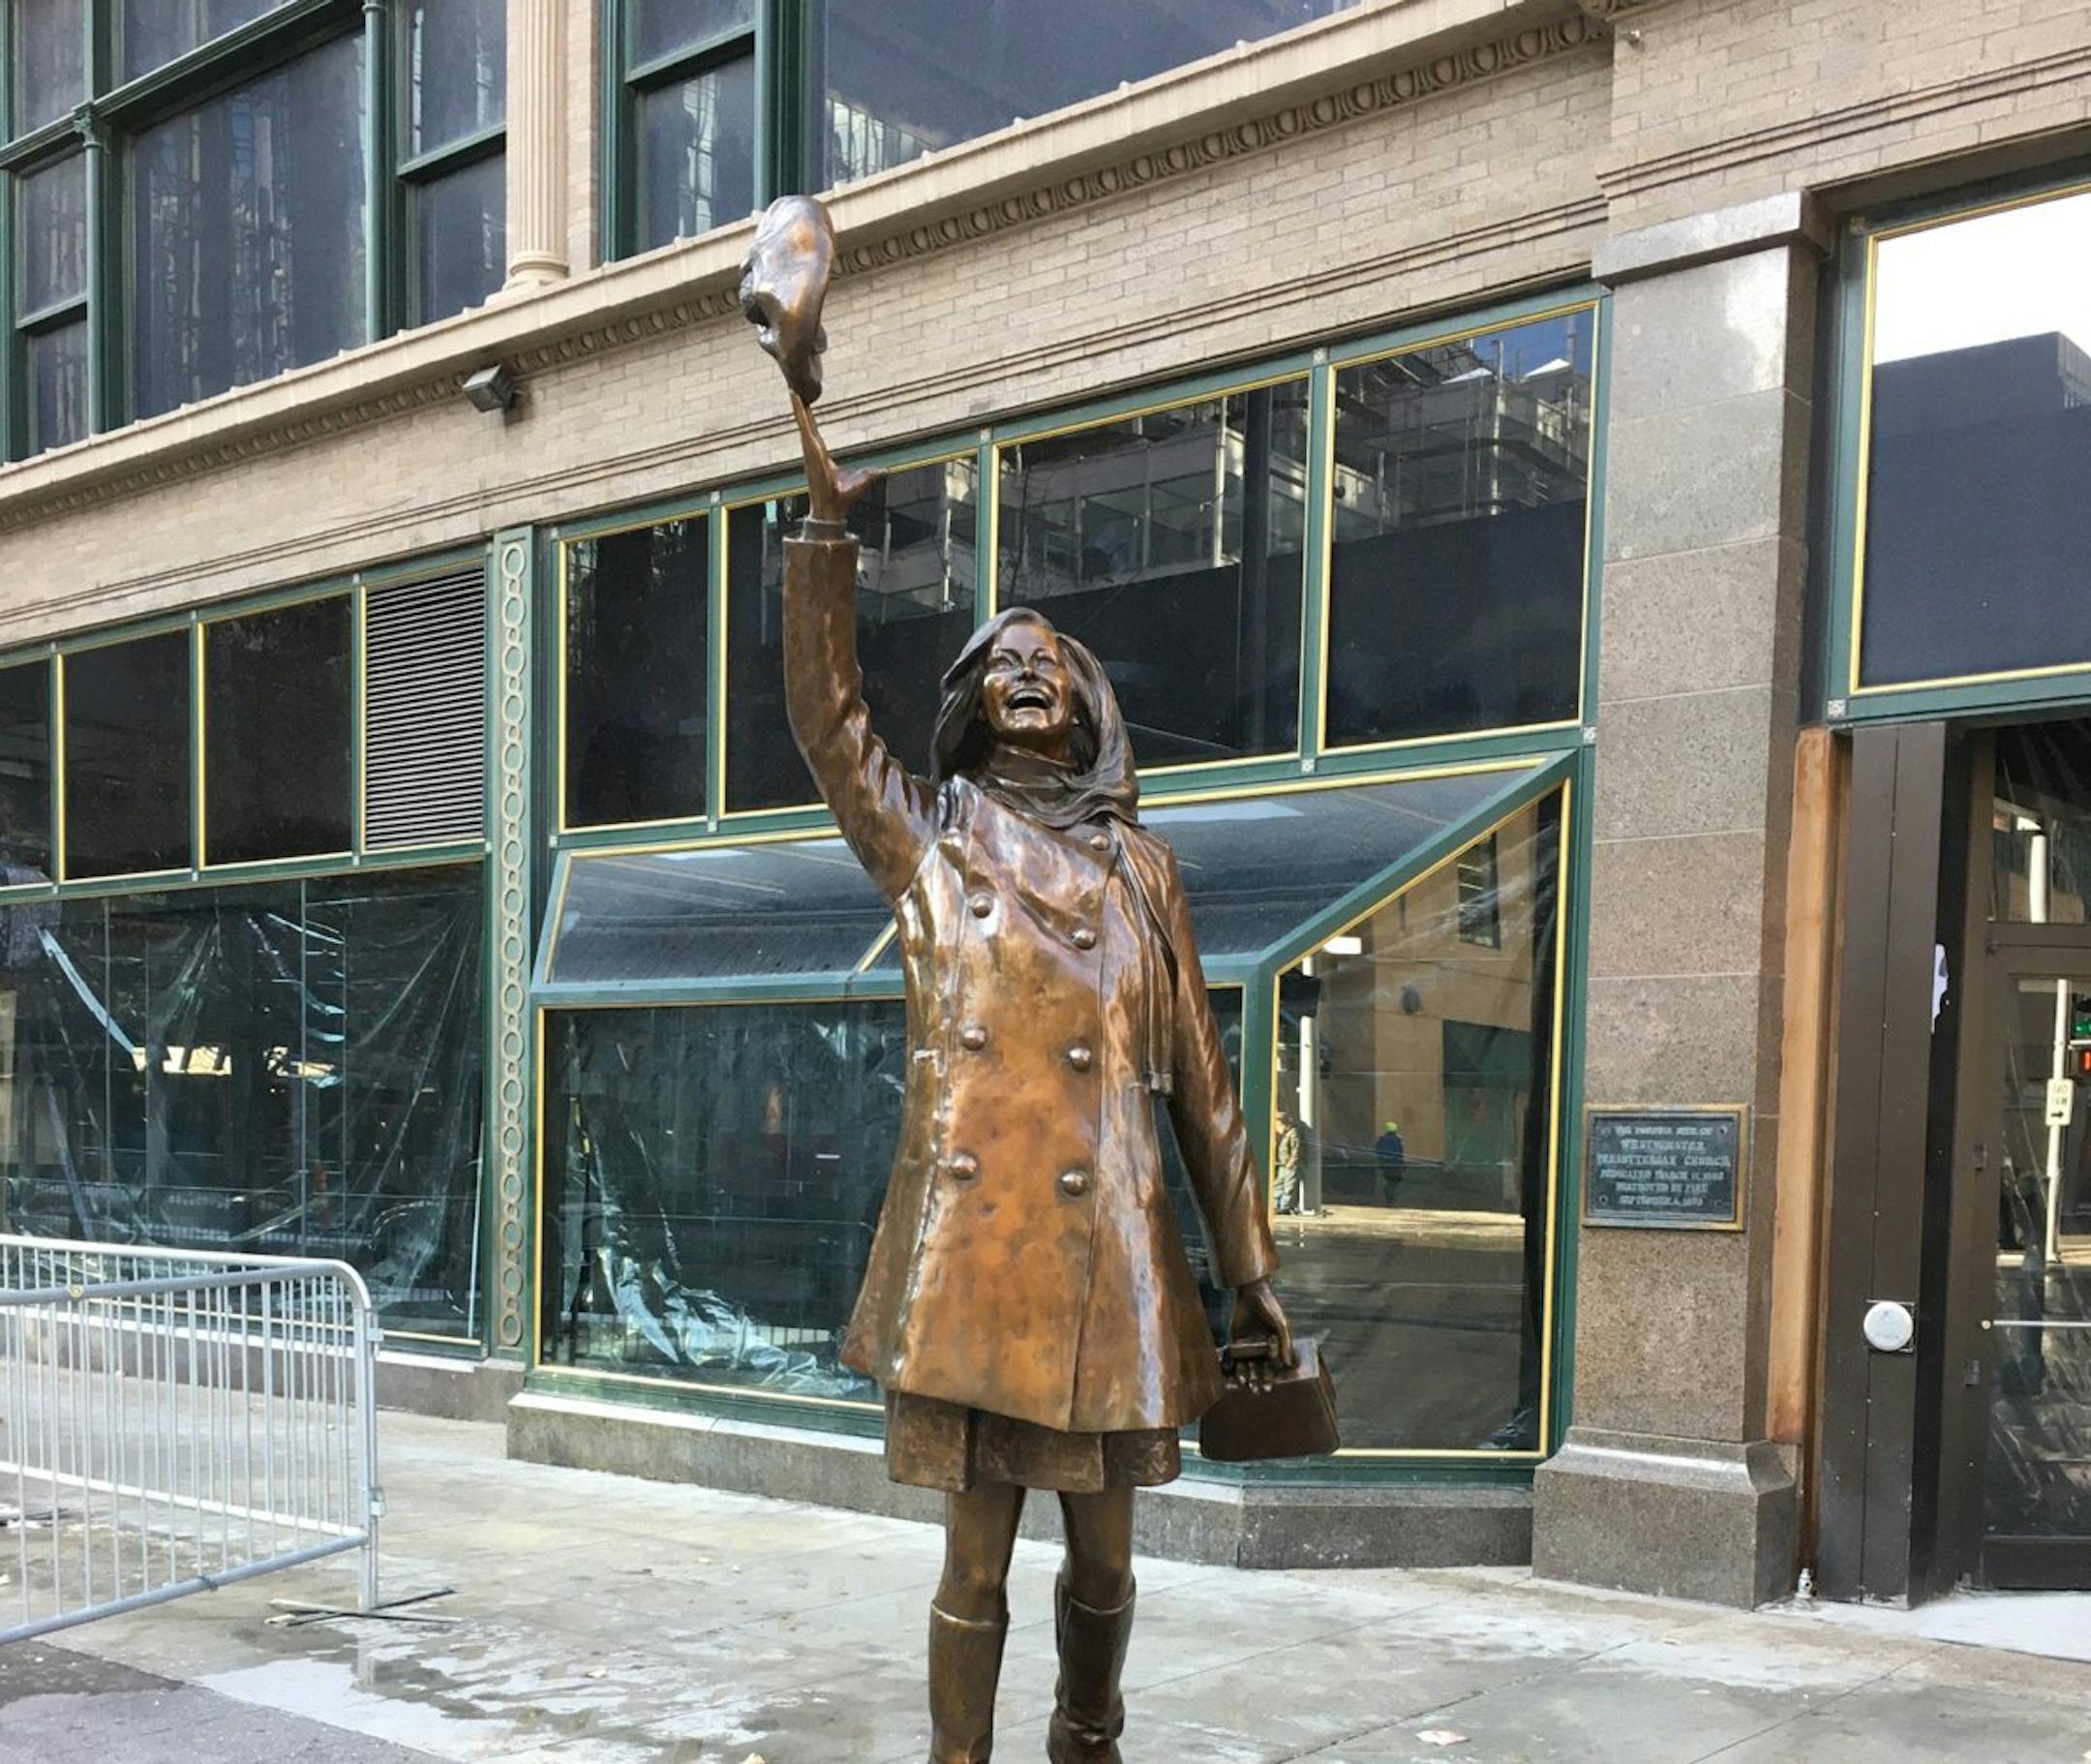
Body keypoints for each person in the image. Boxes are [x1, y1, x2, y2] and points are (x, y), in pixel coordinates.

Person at [779, 393, 1294, 1764]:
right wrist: (825, 533)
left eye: (1048, 661)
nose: (1025, 672)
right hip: (976, 1262)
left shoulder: (1143, 869)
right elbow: (829, 719)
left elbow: (1201, 1085)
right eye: (1001, 660)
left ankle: (1088, 1734)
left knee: (1107, 1561)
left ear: (1085, 704)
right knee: (974, 1560)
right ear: (972, 701)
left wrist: (1248, 1267)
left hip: (1111, 1260)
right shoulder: (932, 841)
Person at [1375, 1118, 1407, 1203]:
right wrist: (1402, 1164)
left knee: (1390, 1180)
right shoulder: (1398, 1139)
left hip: (1386, 1164)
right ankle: (1390, 1197)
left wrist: (1381, 1162)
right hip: (1395, 1164)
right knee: (1393, 1181)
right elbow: (1400, 1153)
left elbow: (1378, 1151)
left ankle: (1389, 1196)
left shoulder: (1382, 1139)